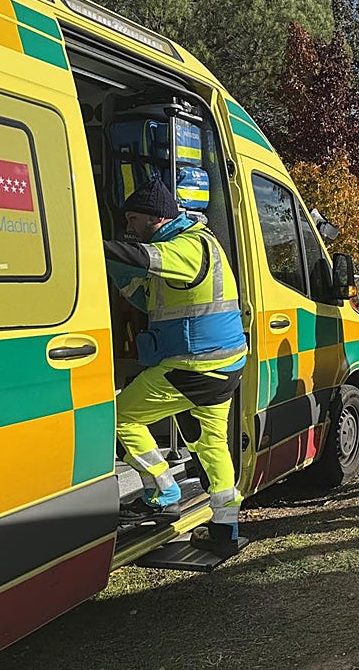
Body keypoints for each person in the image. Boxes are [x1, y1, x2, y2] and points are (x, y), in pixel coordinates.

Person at [104, 177, 249, 559]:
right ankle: (225, 529)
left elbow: (141, 260)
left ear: (154, 219)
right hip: (221, 364)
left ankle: (163, 491)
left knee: (121, 419)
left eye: (133, 219)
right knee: (210, 444)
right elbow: (147, 292)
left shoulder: (185, 246)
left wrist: (87, 243)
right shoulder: (194, 243)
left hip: (195, 366)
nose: (129, 228)